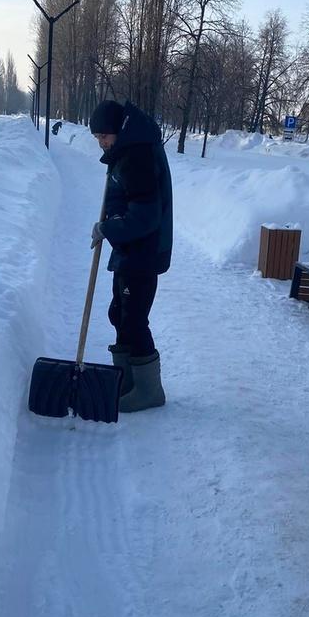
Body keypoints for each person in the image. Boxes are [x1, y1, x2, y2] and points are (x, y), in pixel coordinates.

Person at [89, 99, 172, 412]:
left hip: (142, 253)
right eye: (98, 139)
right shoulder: (128, 151)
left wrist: (108, 228)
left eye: (103, 137)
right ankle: (127, 380)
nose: (101, 143)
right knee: (119, 314)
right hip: (130, 251)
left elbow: (145, 218)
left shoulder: (137, 157)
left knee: (134, 320)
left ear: (117, 132)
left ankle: (149, 391)